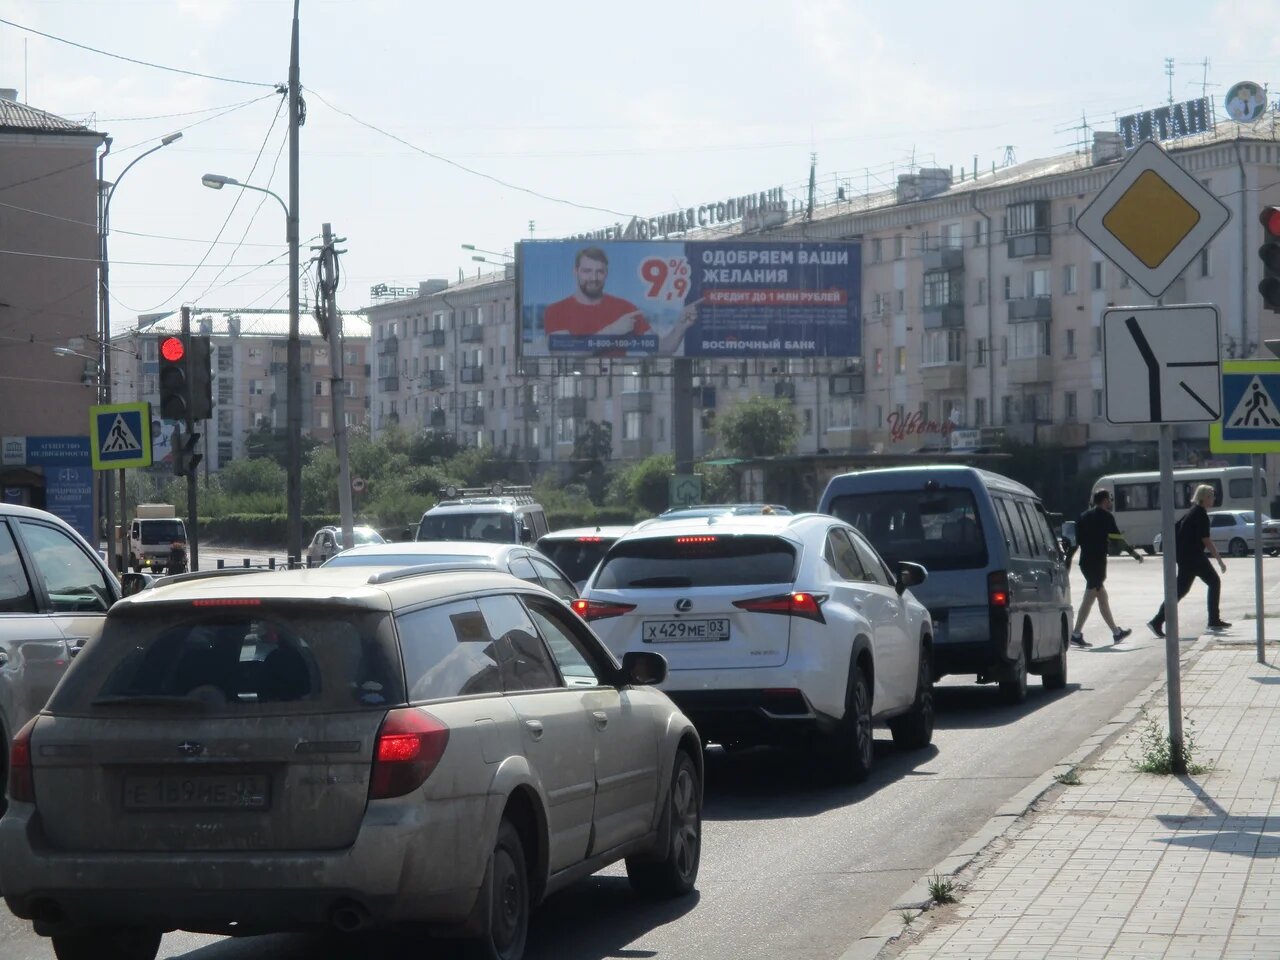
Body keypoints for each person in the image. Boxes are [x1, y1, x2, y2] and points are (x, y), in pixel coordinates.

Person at [543, 246, 698, 355]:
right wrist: (612, 331)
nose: (593, 278)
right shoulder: (556, 311)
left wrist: (680, 327)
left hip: (618, 380)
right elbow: (565, 354)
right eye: (587, 271)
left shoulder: (625, 308)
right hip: (575, 382)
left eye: (599, 272)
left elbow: (660, 350)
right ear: (575, 272)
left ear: (606, 274)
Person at [1148, 484, 1230, 637]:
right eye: (1212, 496)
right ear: (1205, 497)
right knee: (1214, 582)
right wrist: (1219, 560)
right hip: (1194, 557)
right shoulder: (1201, 515)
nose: (1213, 499)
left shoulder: (1192, 512)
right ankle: (1213, 620)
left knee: (1180, 591)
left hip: (1186, 557)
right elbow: (1206, 540)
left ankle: (1157, 621)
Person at [1065, 489, 1143, 647]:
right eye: (1110, 500)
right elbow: (1118, 540)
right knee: (1090, 596)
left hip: (1085, 562)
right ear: (1105, 500)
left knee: (1102, 598)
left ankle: (1116, 632)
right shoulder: (1107, 517)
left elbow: (1075, 542)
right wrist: (1135, 554)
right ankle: (1075, 634)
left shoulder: (1083, 516)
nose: (1111, 502)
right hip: (1097, 563)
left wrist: (1067, 561)